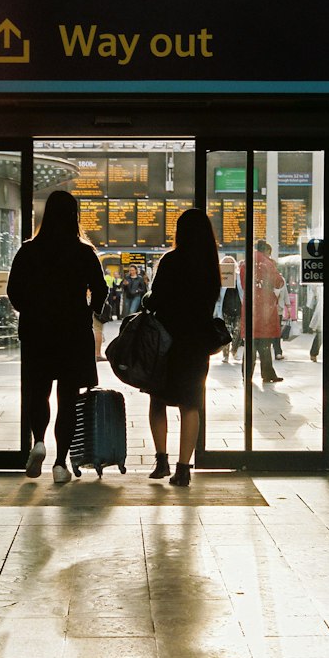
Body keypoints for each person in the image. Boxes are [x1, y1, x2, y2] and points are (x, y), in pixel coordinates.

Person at [6, 190, 106, 484]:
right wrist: (88, 310)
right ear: (74, 216)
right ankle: (60, 463)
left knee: (39, 392)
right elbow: (101, 289)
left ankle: (38, 441)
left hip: (37, 333)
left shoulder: (28, 251)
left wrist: (31, 311)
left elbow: (13, 291)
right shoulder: (84, 252)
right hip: (73, 333)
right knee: (68, 398)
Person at [144, 208, 221, 487]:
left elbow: (155, 301)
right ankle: (183, 468)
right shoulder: (210, 267)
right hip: (197, 344)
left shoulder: (170, 261)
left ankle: (161, 460)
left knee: (157, 400)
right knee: (190, 404)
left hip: (166, 343)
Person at [239, 239, 283, 383]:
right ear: (267, 250)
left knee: (250, 345)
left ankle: (247, 374)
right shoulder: (268, 263)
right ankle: (267, 373)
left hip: (250, 307)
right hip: (265, 309)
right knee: (265, 344)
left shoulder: (246, 263)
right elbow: (278, 283)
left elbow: (244, 284)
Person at [214, 255, 242, 363]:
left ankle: (234, 351)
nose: (229, 265)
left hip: (238, 307)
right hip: (225, 308)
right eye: (226, 263)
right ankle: (225, 355)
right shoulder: (221, 277)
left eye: (231, 263)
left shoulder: (239, 277)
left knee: (237, 332)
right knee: (226, 331)